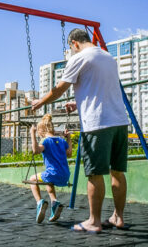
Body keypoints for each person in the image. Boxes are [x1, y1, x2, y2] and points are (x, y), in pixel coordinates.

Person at [31, 28, 129, 233]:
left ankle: (94, 221)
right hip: (119, 121)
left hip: (97, 123)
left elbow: (58, 89)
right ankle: (118, 217)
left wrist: (40, 102)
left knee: (94, 173)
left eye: (71, 48)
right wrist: (77, 105)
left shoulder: (80, 58)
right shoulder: (108, 57)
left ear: (74, 43)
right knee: (117, 172)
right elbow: (101, 89)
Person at [29, 114, 72, 224]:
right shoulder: (62, 141)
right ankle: (54, 202)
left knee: (32, 179)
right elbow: (69, 154)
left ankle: (39, 203)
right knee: (48, 182)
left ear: (41, 131)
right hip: (65, 175)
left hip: (53, 174)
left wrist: (32, 134)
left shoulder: (45, 141)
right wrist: (69, 138)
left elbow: (36, 151)